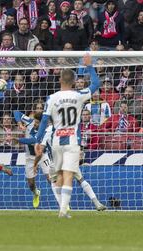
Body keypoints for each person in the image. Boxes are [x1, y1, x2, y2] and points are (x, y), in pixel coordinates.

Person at [33, 54, 100, 218]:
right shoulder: (79, 95)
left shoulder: (52, 98)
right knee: (69, 174)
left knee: (59, 176)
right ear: (74, 81)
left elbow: (43, 121)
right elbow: (96, 84)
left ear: (60, 80)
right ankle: (63, 211)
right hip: (72, 141)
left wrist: (39, 141)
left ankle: (63, 210)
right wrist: (89, 65)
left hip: (56, 141)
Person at [34, 126, 107, 211]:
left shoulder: (47, 131)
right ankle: (96, 203)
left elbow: (40, 151)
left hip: (55, 162)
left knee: (54, 182)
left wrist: (35, 164)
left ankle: (63, 206)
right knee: (81, 180)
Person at [13, 111, 55, 208]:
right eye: (35, 122)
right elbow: (15, 112)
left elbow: (32, 141)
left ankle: (64, 202)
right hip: (30, 157)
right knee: (31, 184)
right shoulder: (30, 122)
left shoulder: (46, 131)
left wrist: (18, 140)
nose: (35, 124)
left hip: (42, 156)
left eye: (37, 123)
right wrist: (20, 123)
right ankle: (36, 193)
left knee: (51, 179)